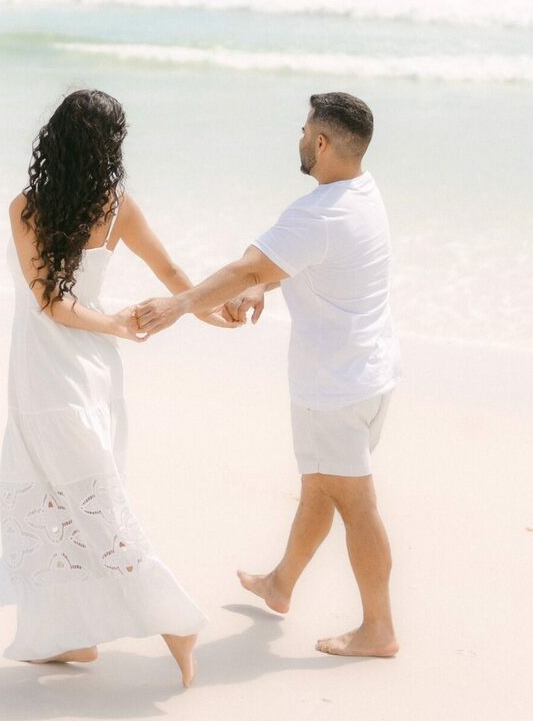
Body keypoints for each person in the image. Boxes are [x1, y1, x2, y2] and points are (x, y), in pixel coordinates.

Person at [135, 91, 402, 658]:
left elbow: (248, 267)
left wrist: (181, 304)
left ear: (321, 142)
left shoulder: (316, 214)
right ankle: (281, 583)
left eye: (305, 130)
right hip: (369, 376)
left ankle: (379, 629)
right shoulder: (363, 193)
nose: (299, 138)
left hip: (334, 390)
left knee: (356, 505)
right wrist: (263, 287)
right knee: (320, 488)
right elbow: (300, 264)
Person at [0, 88, 233, 686]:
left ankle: (174, 621)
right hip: (92, 370)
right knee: (68, 501)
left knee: (91, 506)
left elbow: (51, 303)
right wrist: (199, 310)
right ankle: (72, 638)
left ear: (54, 140)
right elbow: (171, 273)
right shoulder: (117, 206)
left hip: (51, 374)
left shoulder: (27, 207)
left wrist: (172, 316)